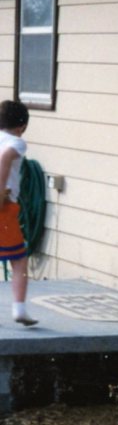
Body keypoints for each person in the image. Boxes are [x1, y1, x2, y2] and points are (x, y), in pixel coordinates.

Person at [0, 100, 38, 327]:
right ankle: (19, 309)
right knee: (19, 259)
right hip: (4, 207)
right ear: (22, 126)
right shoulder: (17, 142)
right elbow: (5, 159)